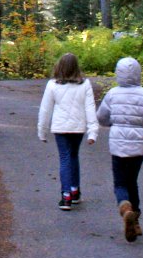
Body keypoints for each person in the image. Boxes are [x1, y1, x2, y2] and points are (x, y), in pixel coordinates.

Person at [96, 57, 143, 242]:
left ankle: (125, 209)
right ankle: (135, 220)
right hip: (138, 146)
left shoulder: (112, 94)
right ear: (138, 73)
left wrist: (114, 122)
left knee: (120, 183)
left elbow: (102, 117)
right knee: (133, 181)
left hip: (118, 144)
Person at [37, 53, 98, 211]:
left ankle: (66, 196)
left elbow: (45, 109)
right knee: (73, 155)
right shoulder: (85, 84)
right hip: (78, 128)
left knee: (65, 158)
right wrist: (92, 132)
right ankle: (74, 190)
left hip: (61, 128)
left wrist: (42, 131)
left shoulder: (53, 84)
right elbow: (90, 108)